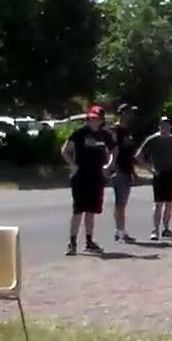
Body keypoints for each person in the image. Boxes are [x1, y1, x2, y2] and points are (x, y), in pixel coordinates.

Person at [61, 106, 114, 256]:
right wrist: (72, 165)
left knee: (91, 211)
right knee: (78, 210)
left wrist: (109, 165)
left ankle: (89, 242)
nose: (92, 120)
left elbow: (113, 151)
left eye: (96, 118)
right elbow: (65, 150)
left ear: (101, 120)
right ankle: (72, 243)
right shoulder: (80, 133)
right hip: (80, 176)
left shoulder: (105, 135)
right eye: (90, 118)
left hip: (97, 176)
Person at [135, 117, 172, 240]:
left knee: (169, 203)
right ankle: (155, 230)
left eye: (167, 125)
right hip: (159, 173)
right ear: (159, 126)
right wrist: (150, 169)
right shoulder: (152, 140)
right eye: (162, 125)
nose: (165, 127)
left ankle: (166, 228)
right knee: (158, 203)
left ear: (170, 126)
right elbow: (139, 156)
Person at [108, 103, 140, 242]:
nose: (131, 116)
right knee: (120, 203)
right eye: (128, 113)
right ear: (122, 114)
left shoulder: (127, 131)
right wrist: (112, 167)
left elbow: (129, 154)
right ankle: (121, 231)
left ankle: (119, 230)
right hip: (119, 169)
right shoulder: (115, 131)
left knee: (122, 203)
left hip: (127, 169)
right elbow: (111, 150)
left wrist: (133, 172)